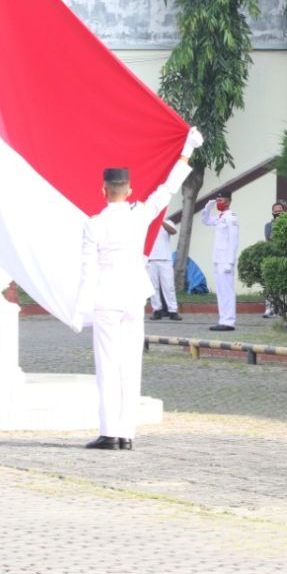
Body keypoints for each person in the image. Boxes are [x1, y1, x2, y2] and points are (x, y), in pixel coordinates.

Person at [73, 135, 197, 451]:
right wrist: (187, 151)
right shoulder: (139, 213)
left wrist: (78, 307)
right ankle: (126, 433)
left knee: (108, 365)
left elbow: (88, 270)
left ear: (103, 191)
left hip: (106, 297)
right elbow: (167, 189)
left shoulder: (95, 223)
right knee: (130, 364)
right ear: (128, 190)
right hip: (133, 296)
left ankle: (109, 432)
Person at [202, 188, 240, 331]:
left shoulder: (231, 217)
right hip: (217, 259)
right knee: (221, 291)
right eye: (217, 200)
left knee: (227, 291)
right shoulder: (220, 217)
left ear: (228, 201)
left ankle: (229, 321)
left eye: (221, 200)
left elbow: (233, 241)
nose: (219, 202)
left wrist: (230, 262)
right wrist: (209, 206)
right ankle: (223, 320)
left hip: (225, 261)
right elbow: (205, 221)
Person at [146, 218, 181, 321]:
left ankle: (173, 311)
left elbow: (173, 231)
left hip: (165, 259)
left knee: (168, 286)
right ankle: (157, 310)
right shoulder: (147, 222)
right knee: (153, 287)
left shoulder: (168, 222)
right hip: (151, 259)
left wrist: (160, 221)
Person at [262, 200, 287, 318]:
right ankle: (269, 309)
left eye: (280, 211)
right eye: (275, 211)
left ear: (284, 212)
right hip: (272, 257)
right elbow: (269, 239)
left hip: (284, 258)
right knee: (270, 284)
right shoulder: (268, 226)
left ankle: (283, 309)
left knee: (284, 286)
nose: (277, 213)